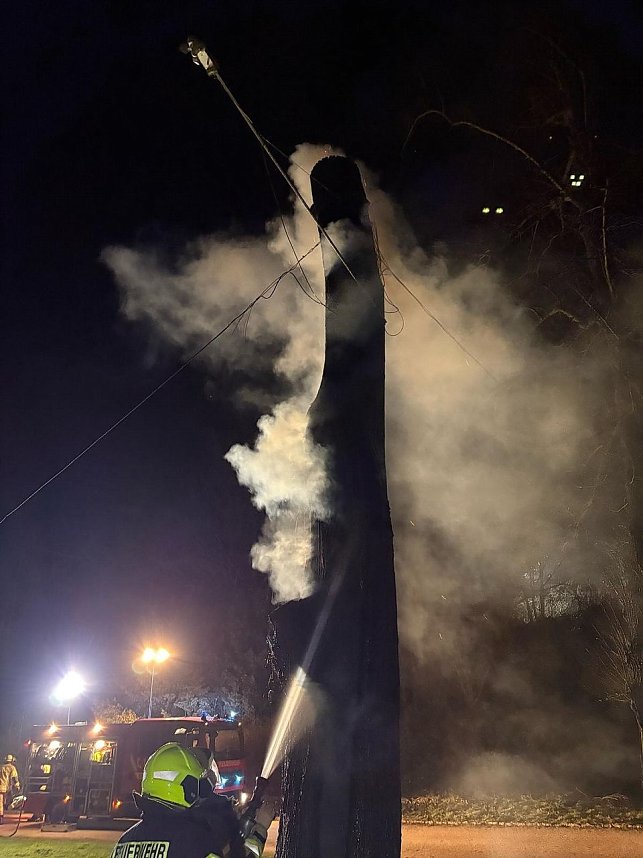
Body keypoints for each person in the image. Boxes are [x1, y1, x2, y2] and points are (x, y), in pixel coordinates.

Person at [111, 743, 275, 858]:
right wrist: (258, 832)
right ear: (186, 788)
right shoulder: (193, 839)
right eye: (201, 786)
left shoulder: (124, 842)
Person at [0, 753, 21, 824]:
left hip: (2, 787)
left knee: (2, 803)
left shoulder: (1, 767)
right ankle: (0, 817)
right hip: (5, 788)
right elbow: (14, 778)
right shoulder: (12, 768)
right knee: (1, 803)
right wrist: (17, 785)